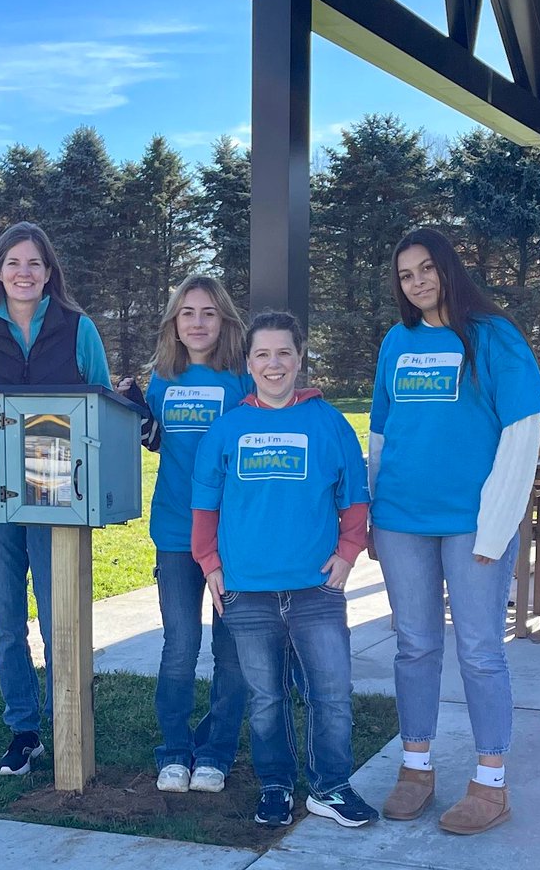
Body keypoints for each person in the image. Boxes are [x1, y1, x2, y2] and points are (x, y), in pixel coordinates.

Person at [369, 228, 540, 836]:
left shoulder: (493, 335)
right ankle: (416, 768)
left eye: (427, 269)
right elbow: (381, 433)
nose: (418, 282)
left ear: (449, 269)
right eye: (406, 275)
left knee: (479, 651)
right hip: (401, 520)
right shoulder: (397, 342)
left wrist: (494, 530)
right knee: (415, 646)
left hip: (472, 525)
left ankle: (491, 784)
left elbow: (522, 432)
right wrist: (374, 512)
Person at [192, 311, 377, 830]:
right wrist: (210, 563)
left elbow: (356, 493)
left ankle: (330, 787)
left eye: (284, 353)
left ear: (299, 358)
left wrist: (347, 550)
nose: (274, 364)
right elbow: (205, 503)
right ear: (248, 363)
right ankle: (276, 785)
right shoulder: (228, 428)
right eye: (262, 354)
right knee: (266, 698)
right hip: (247, 592)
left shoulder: (328, 422)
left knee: (332, 694)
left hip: (315, 588)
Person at [0, 221, 111, 775]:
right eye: (13, 262)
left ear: (48, 272)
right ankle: (24, 730)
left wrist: (99, 492)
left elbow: (103, 406)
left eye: (34, 263)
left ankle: (70, 723)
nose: (23, 273)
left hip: (60, 494)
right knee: (7, 621)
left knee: (61, 613)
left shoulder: (77, 327)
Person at [119, 275, 251, 794]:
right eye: (187, 312)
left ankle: (216, 751)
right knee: (179, 644)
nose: (197, 323)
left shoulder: (242, 380)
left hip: (232, 536)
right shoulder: (160, 378)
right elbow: (157, 442)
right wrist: (133, 408)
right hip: (174, 531)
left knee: (231, 650)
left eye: (209, 313)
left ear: (225, 322)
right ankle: (174, 751)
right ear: (174, 321)